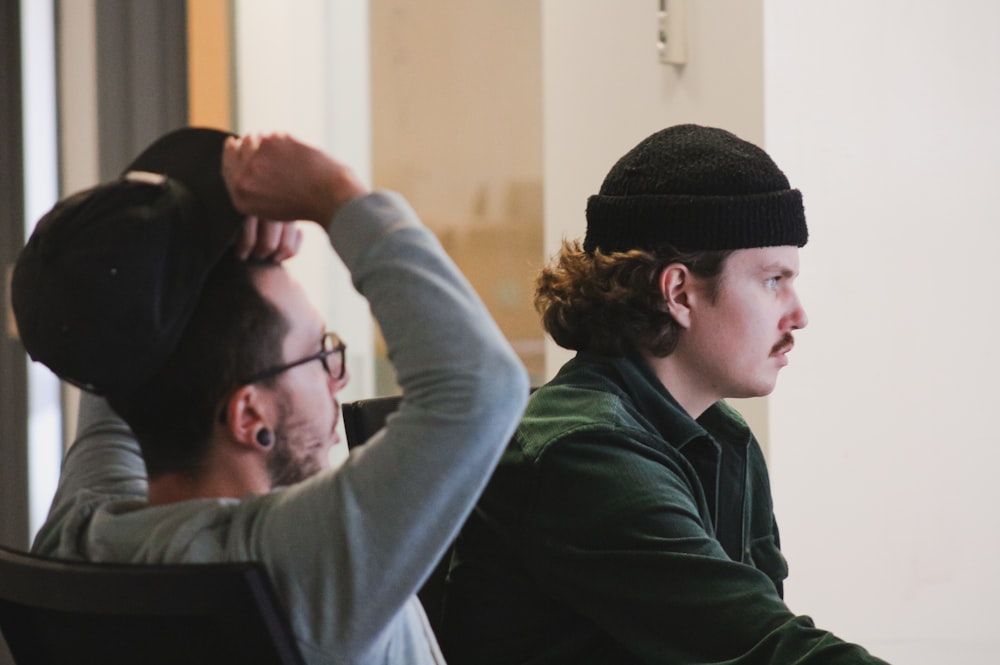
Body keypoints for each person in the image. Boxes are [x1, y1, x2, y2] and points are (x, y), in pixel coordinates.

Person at [12, 127, 529, 665]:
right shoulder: (294, 571)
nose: (340, 379)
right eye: (319, 353)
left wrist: (207, 222)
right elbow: (480, 388)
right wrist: (334, 195)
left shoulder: (77, 539)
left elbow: (118, 319)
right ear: (248, 414)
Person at [440, 124, 890, 664]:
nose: (798, 315)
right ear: (678, 291)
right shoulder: (583, 452)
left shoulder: (723, 435)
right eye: (774, 281)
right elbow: (760, 648)